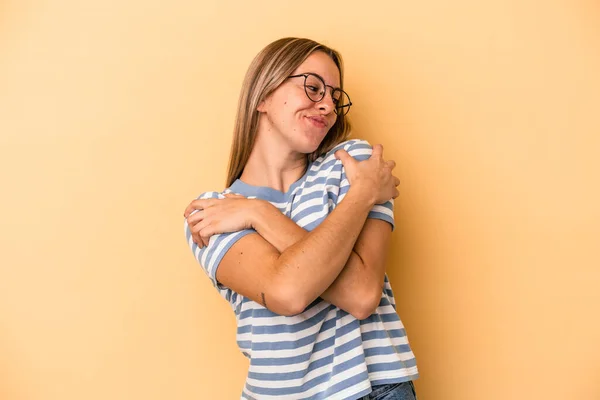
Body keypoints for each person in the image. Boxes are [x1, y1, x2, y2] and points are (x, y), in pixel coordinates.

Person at [183, 37, 418, 400]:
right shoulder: (214, 211)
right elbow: (288, 292)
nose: (327, 105)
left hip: (374, 389)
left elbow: (361, 294)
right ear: (263, 96)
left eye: (335, 97)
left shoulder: (351, 164)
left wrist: (257, 215)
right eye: (313, 87)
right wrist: (256, 208)